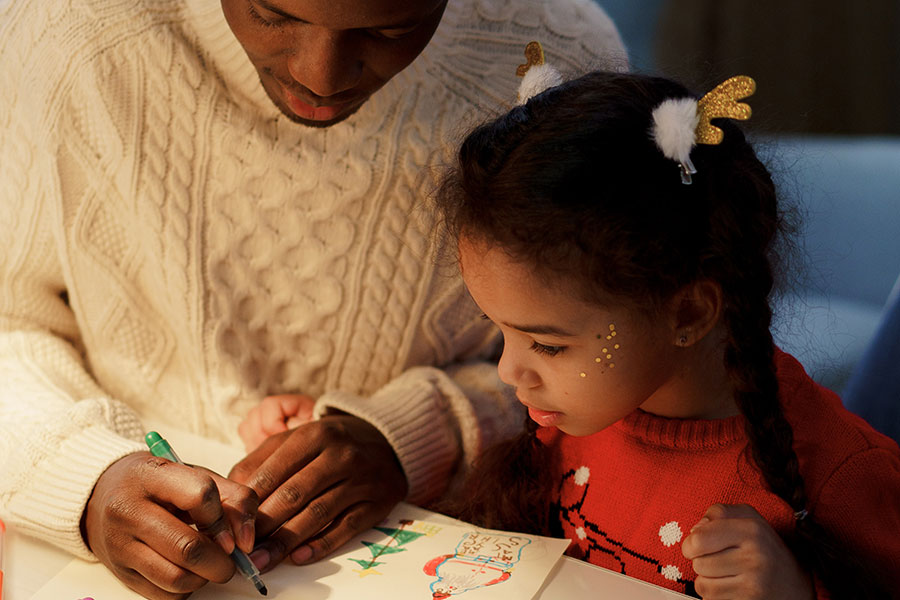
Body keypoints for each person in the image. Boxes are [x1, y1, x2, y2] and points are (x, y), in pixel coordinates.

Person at [0, 1, 627, 598]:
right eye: (273, 13)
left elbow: (616, 356)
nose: (319, 75)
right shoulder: (70, 35)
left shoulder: (555, 59)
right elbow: (11, 322)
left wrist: (418, 433)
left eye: (390, 28)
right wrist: (83, 475)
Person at [433, 65, 900, 598]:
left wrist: (794, 590)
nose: (508, 371)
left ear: (687, 315)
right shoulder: (579, 417)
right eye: (501, 332)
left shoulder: (843, 476)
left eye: (547, 344)